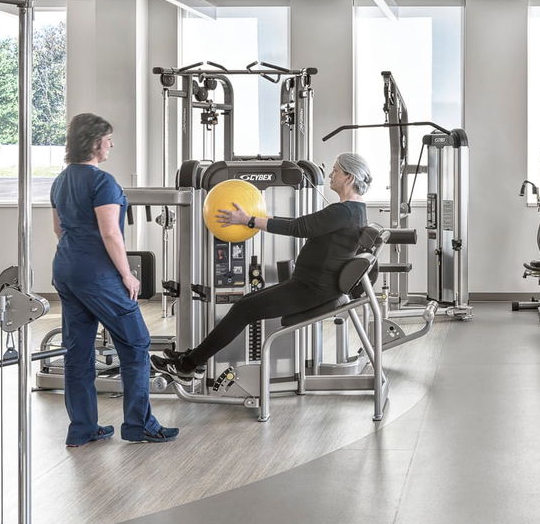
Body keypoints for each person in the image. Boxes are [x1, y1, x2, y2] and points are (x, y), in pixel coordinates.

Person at [152, 152, 371, 379]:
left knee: (242, 309)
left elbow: (298, 228)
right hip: (310, 285)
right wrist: (255, 217)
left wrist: (249, 220)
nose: (332, 174)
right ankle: (192, 359)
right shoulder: (352, 211)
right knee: (245, 305)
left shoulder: (343, 211)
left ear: (349, 178)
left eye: (336, 170)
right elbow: (300, 225)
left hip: (312, 289)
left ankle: (188, 365)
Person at [50, 113, 178, 446]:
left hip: (66, 269)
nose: (110, 145)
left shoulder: (60, 180)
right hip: (98, 274)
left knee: (77, 353)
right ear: (94, 143)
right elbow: (110, 233)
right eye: (107, 139)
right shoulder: (102, 182)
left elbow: (58, 229)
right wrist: (126, 274)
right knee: (136, 344)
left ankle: (82, 429)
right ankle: (139, 425)